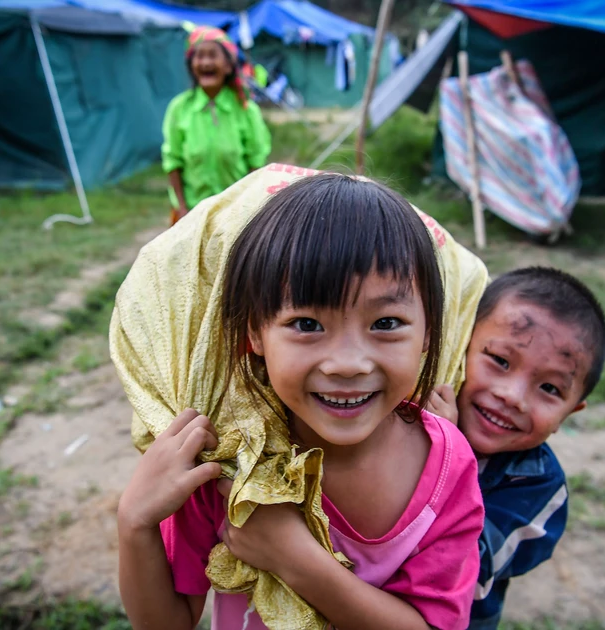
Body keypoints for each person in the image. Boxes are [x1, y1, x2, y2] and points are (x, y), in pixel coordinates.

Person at [116, 174, 486, 630]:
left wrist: (295, 558)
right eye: (307, 324)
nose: (348, 363)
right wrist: (134, 522)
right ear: (254, 332)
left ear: (429, 330)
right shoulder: (223, 462)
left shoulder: (448, 466)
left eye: (386, 322)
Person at [426, 267, 605, 630]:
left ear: (569, 413)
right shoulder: (414, 410)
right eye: (500, 361)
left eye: (550, 389)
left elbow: (461, 573)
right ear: (461, 344)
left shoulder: (538, 490)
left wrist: (443, 456)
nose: (512, 396)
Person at [162, 26, 271, 225]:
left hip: (236, 214)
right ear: (191, 65)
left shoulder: (246, 110)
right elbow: (173, 162)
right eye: (199, 56)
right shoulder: (179, 109)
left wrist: (247, 210)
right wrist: (183, 209)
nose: (205, 62)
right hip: (191, 214)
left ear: (229, 65)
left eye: (213, 55)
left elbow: (256, 163)